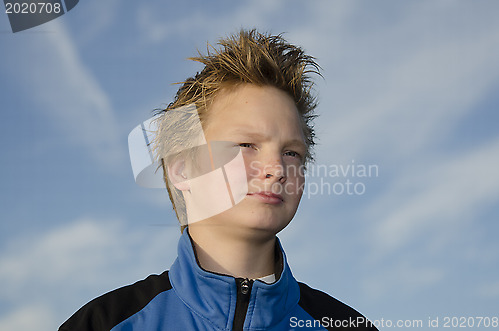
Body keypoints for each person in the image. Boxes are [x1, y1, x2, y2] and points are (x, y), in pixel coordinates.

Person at [59, 29, 378, 331]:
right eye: (246, 145)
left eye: (292, 152)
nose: (276, 168)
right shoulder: (104, 323)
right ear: (182, 169)